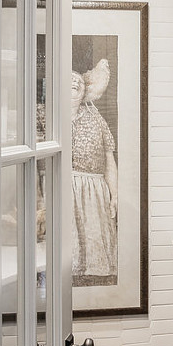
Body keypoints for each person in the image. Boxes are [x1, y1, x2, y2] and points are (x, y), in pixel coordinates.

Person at [71, 59, 118, 284]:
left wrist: (114, 194)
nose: (74, 82)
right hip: (64, 189)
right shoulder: (46, 116)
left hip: (94, 191)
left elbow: (109, 158)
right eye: (68, 80)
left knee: (95, 257)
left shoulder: (97, 119)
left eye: (78, 80)